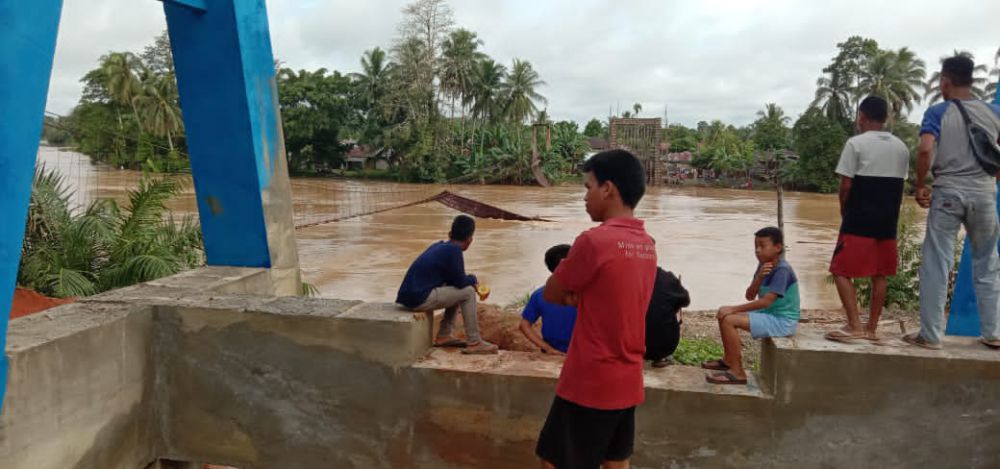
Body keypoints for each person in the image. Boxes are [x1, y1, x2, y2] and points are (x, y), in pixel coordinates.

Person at [535, 149, 658, 469]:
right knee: (615, 462)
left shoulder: (594, 241)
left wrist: (575, 292)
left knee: (556, 462)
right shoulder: (647, 244)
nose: (584, 196)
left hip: (590, 380)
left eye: (587, 187)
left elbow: (551, 291)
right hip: (628, 377)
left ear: (608, 189)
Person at [905, 55, 1000, 351]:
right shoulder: (994, 111)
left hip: (947, 193)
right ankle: (993, 333)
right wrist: (991, 183)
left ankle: (931, 336)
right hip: (984, 195)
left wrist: (921, 184)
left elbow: (924, 149)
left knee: (937, 263)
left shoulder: (939, 111)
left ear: (945, 80)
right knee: (988, 263)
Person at [825, 96, 910, 343]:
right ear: (885, 118)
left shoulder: (856, 144)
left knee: (840, 270)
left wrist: (844, 212)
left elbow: (846, 185)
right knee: (880, 274)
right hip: (887, 222)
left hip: (859, 219)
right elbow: (898, 186)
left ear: (861, 116)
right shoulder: (901, 147)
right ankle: (871, 329)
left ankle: (854, 326)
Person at [703, 227, 800, 385]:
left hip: (783, 321)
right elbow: (750, 295)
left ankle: (737, 372)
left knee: (729, 319)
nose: (757, 250)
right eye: (756, 246)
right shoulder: (763, 265)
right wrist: (760, 278)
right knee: (723, 313)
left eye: (762, 246)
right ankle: (729, 361)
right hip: (768, 313)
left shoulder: (783, 270)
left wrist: (733, 309)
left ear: (778, 247)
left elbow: (766, 301)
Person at [395, 215, 498, 354]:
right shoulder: (454, 251)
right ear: (469, 241)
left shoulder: (439, 246)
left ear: (450, 234)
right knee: (467, 292)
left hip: (409, 297)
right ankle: (474, 342)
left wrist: (467, 280)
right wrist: (473, 280)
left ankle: (444, 335)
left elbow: (454, 281)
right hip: (418, 299)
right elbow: (461, 282)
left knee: (456, 289)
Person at [518, 244, 577, 355]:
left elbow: (524, 325)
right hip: (583, 352)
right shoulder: (586, 294)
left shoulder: (540, 294)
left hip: (552, 352)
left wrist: (548, 349)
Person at [645, 268, 690, 367]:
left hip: (627, 344)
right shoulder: (667, 277)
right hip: (662, 347)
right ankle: (661, 357)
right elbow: (686, 301)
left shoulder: (627, 275)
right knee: (675, 305)